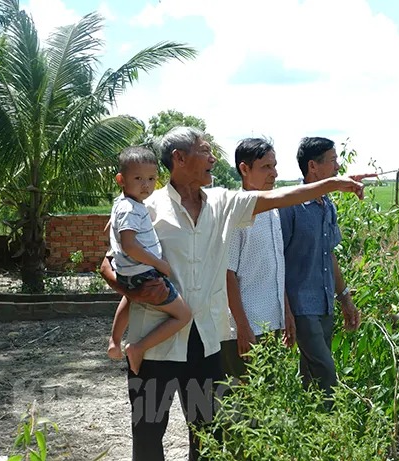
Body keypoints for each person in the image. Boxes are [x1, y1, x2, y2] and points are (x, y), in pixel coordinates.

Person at [99, 127, 366, 461]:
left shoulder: (222, 204)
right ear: (179, 159)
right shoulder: (146, 208)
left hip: (206, 345)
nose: (214, 158)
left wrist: (330, 184)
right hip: (155, 344)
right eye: (205, 151)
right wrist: (129, 288)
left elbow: (278, 198)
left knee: (207, 436)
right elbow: (109, 263)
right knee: (149, 432)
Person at [279, 137, 362, 401]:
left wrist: (345, 299)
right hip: (301, 305)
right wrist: (285, 308)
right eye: (333, 160)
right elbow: (277, 258)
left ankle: (312, 430)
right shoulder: (289, 206)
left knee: (312, 375)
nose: (338, 166)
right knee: (327, 372)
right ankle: (333, 427)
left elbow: (330, 256)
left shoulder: (327, 205)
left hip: (324, 302)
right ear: (313, 166)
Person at [106, 146, 192, 376]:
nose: (146, 185)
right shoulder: (130, 209)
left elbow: (115, 234)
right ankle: (137, 348)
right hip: (145, 273)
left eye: (151, 179)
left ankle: (114, 340)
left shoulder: (122, 203)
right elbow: (129, 245)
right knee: (184, 315)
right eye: (138, 178)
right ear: (121, 179)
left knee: (129, 298)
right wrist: (159, 264)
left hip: (130, 273)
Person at [221, 138, 295, 381]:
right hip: (249, 327)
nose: (274, 173)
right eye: (266, 167)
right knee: (246, 399)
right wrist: (242, 327)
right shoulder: (237, 213)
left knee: (269, 398)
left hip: (272, 322)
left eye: (274, 166)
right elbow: (227, 273)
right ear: (244, 169)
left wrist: (287, 313)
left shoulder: (271, 210)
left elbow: (276, 269)